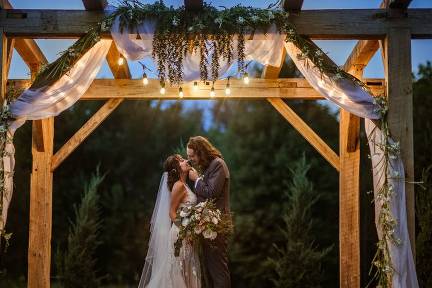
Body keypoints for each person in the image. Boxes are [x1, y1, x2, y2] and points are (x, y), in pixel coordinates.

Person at [138, 154, 201, 288]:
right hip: (180, 234)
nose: (186, 161)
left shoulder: (185, 184)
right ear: (176, 169)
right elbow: (171, 212)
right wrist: (186, 231)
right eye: (181, 160)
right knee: (178, 272)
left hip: (187, 233)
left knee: (187, 270)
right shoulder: (179, 186)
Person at [187, 136, 231, 288]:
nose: (190, 159)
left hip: (217, 226)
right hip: (207, 226)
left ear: (202, 152)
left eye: (192, 156)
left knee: (218, 270)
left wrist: (197, 180)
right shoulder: (208, 167)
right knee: (209, 271)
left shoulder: (218, 164)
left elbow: (211, 192)